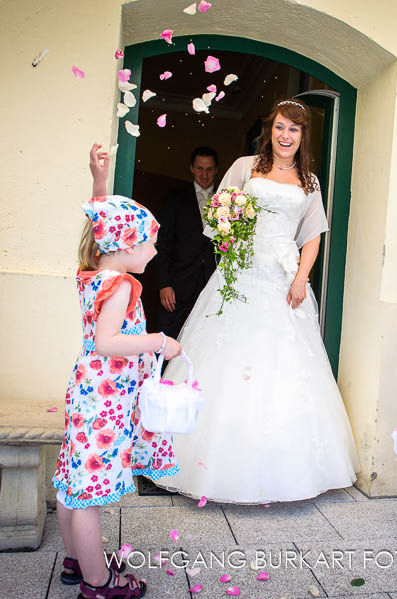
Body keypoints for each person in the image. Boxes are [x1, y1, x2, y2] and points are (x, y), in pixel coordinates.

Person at [156, 98, 359, 503]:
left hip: (283, 275)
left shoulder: (310, 181)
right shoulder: (245, 167)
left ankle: (285, 469)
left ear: (303, 136)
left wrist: (302, 277)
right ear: (271, 130)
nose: (286, 136)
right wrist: (231, 235)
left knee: (283, 362)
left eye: (295, 130)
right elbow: (215, 216)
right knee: (227, 356)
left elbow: (313, 235)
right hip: (242, 272)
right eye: (281, 127)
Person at [52, 144, 182, 598]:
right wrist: (159, 341)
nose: (152, 251)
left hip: (87, 392)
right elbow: (110, 342)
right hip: (106, 401)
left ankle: (76, 560)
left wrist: (99, 183)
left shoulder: (92, 274)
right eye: (148, 242)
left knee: (74, 484)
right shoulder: (123, 284)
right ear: (125, 244)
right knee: (88, 495)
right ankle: (99, 582)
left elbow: (100, 225)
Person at [154, 147, 219, 341]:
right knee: (167, 335)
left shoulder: (228, 200)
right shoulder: (175, 198)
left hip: (212, 281)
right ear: (191, 168)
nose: (205, 174)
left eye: (209, 169)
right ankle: (162, 373)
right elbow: (163, 243)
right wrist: (163, 284)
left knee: (206, 337)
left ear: (216, 170)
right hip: (178, 282)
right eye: (200, 168)